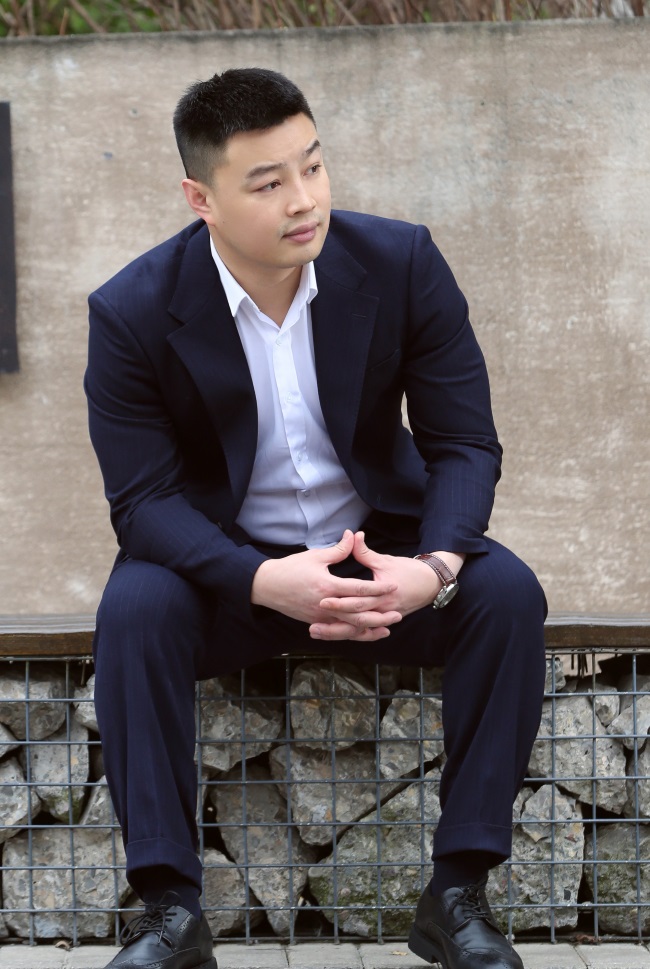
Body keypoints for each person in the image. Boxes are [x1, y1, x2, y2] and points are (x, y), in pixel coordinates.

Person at [85, 67, 547, 969]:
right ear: (201, 198)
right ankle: (171, 913)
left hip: (381, 558)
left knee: (507, 594)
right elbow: (141, 502)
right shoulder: (133, 310)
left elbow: (464, 443)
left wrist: (434, 567)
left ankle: (456, 894)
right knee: (134, 608)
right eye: (267, 182)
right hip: (227, 574)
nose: (304, 199)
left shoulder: (401, 262)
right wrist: (260, 577)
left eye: (313, 165)